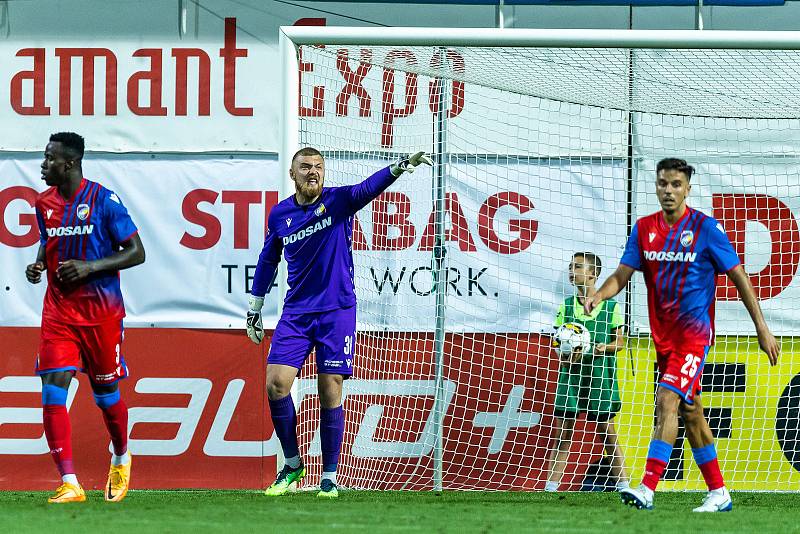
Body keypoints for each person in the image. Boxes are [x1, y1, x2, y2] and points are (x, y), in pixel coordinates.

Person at [584, 158, 780, 512]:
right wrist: (599, 293)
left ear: (688, 188)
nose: (669, 191)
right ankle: (719, 492)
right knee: (691, 412)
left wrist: (762, 329)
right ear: (656, 187)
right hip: (664, 340)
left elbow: (740, 278)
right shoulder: (644, 229)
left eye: (676, 184)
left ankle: (646, 487)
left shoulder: (706, 229)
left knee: (666, 401)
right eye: (663, 184)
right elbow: (621, 275)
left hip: (694, 336)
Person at [246, 147, 432, 498]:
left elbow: (367, 188)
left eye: (318, 167)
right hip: (297, 313)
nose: (312, 172)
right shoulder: (280, 214)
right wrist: (254, 306)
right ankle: (292, 464)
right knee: (275, 384)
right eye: (305, 167)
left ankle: (328, 476)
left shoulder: (338, 202)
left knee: (330, 387)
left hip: (337, 311)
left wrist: (399, 167)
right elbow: (268, 258)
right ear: (292, 174)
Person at [25, 132, 145, 503]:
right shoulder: (43, 202)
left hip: (101, 315)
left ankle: (121, 457)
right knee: (52, 390)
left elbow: (136, 252)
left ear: (70, 163)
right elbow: (49, 240)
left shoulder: (104, 201)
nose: (44, 166)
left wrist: (91, 267)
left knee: (106, 396)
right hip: (58, 313)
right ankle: (70, 482)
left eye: (50, 159)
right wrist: (39, 262)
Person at [544, 252, 629, 493]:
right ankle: (550, 488)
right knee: (564, 432)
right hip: (571, 375)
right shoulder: (566, 306)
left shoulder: (611, 306)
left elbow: (621, 342)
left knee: (606, 431)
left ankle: (624, 486)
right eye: (571, 266)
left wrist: (605, 347)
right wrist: (565, 354)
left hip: (600, 374)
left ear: (593, 274)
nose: (572, 270)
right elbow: (557, 342)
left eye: (578, 266)